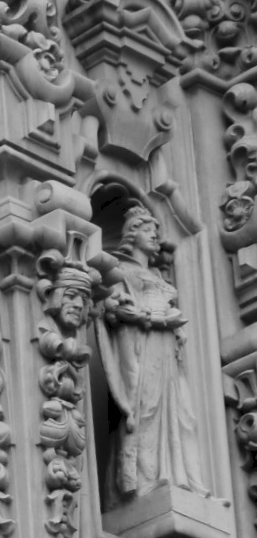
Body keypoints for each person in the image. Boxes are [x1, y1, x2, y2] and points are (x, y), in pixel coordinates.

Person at [97, 204, 208, 500]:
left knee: (181, 412)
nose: (155, 238)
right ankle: (142, 483)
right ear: (133, 235)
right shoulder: (121, 269)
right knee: (144, 409)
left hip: (166, 348)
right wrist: (156, 319)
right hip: (141, 346)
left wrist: (175, 330)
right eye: (149, 231)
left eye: (157, 232)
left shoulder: (158, 275)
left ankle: (176, 476)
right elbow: (112, 309)